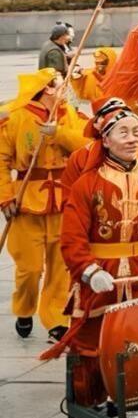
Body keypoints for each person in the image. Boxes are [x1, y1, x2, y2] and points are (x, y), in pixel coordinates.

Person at [47, 98, 138, 402]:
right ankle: (90, 415)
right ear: (106, 139)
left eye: (136, 131)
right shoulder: (87, 184)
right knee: (91, 345)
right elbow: (71, 238)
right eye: (123, 132)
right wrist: (88, 270)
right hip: (102, 273)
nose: (132, 138)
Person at [0, 69, 87, 340]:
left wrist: (58, 133)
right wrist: (5, 197)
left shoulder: (69, 114)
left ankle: (56, 319)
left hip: (64, 200)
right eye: (61, 83)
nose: (66, 88)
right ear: (48, 88)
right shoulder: (15, 119)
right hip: (26, 202)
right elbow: (1, 161)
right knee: (30, 269)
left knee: (61, 266)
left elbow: (85, 146)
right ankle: (24, 309)